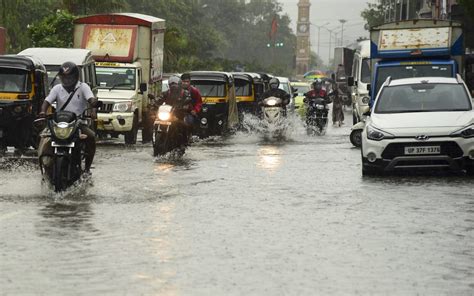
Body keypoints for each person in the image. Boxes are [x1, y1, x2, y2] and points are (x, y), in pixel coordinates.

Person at [38, 61, 98, 173]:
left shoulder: (83, 87)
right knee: (44, 138)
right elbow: (47, 101)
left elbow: (91, 99)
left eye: (70, 77)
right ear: (60, 78)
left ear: (76, 77)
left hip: (78, 123)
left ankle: (87, 169)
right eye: (64, 78)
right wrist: (43, 111)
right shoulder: (57, 88)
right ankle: (45, 166)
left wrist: (93, 108)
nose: (67, 80)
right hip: (59, 123)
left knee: (91, 137)